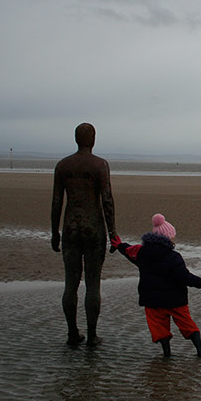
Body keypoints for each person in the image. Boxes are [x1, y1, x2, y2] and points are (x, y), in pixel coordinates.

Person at [52, 123, 116, 347]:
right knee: (92, 284)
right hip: (93, 228)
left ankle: (72, 333)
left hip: (70, 227)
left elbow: (57, 202)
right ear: (93, 138)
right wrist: (113, 232)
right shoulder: (100, 165)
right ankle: (91, 334)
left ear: (76, 138)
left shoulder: (63, 166)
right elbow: (107, 200)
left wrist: (54, 232)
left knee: (70, 283)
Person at [111, 213, 201, 357]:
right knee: (187, 325)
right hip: (175, 300)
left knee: (159, 328)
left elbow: (129, 252)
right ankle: (200, 352)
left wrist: (119, 245)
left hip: (152, 301)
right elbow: (183, 276)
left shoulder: (141, 253)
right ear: (168, 238)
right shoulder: (173, 257)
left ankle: (167, 354)